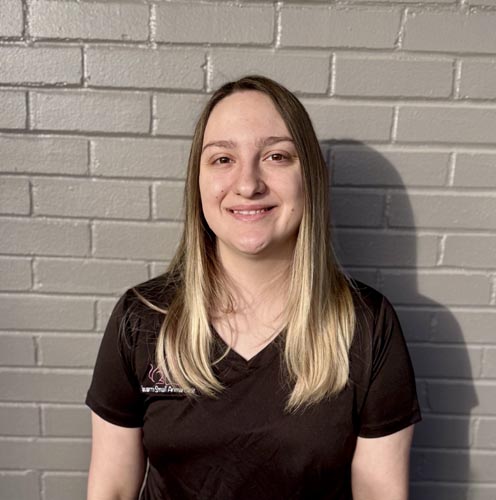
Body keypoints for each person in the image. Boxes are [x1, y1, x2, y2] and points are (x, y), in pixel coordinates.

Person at [86, 75, 421, 500]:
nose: (248, 184)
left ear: (310, 177)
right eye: (223, 159)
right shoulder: (143, 319)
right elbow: (112, 488)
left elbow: (379, 493)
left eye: (276, 156)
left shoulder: (367, 326)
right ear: (199, 181)